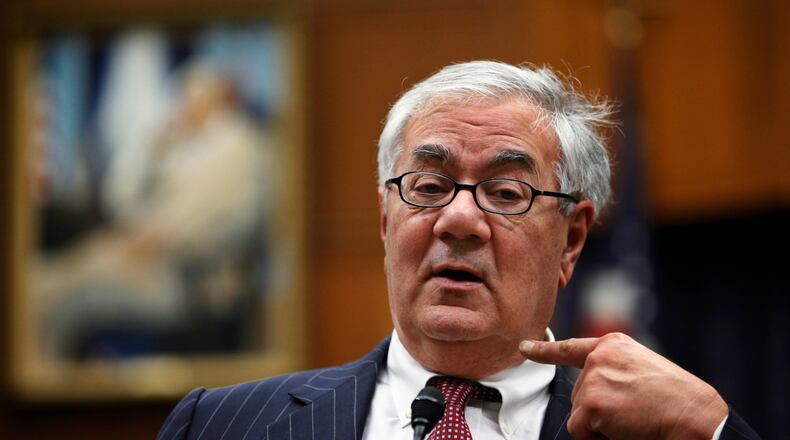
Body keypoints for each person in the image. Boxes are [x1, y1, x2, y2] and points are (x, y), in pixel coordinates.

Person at [157, 61, 760, 440]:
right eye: (429, 187)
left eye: (504, 191)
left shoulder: (651, 432)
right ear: (386, 218)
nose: (460, 219)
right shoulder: (219, 424)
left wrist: (714, 431)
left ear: (572, 239)